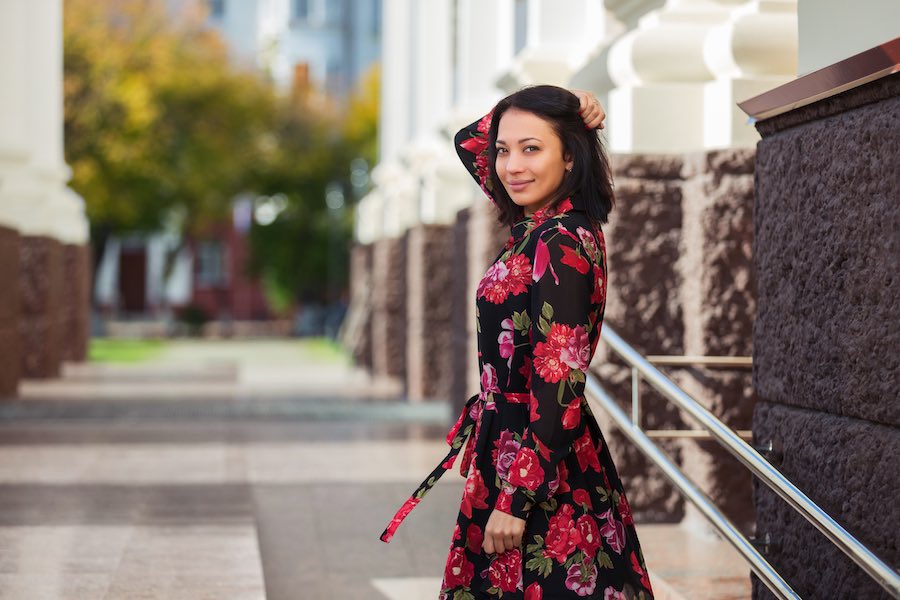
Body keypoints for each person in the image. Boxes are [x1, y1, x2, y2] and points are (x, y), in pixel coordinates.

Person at [380, 85, 654, 600]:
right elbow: (470, 142)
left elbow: (560, 380)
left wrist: (517, 497)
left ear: (570, 155)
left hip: (541, 466)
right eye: (505, 150)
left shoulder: (562, 240)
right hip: (510, 452)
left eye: (533, 148)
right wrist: (565, 99)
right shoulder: (538, 230)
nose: (511, 166)